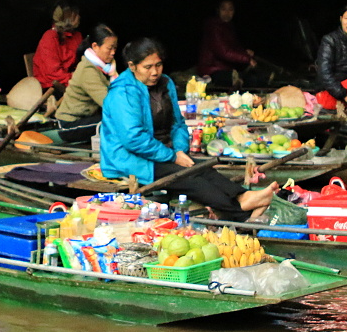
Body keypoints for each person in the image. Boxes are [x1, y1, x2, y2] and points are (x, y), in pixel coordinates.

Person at [100, 37, 277, 222]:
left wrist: (178, 150)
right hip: (129, 158)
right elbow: (133, 138)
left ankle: (243, 197)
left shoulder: (166, 83)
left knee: (203, 168)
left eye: (158, 65)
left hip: (163, 152)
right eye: (148, 67)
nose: (155, 72)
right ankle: (243, 213)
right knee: (188, 180)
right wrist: (172, 157)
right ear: (132, 66)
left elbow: (177, 124)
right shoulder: (122, 92)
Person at [54, 24, 118, 142]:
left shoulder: (108, 68)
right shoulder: (87, 70)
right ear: (95, 46)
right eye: (110, 48)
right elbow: (108, 102)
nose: (113, 52)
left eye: (115, 48)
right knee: (116, 121)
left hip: (87, 118)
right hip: (69, 125)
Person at [196, 0, 256, 81]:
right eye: (223, 9)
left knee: (253, 77)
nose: (227, 13)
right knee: (251, 81)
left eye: (230, 9)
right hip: (211, 71)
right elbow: (223, 52)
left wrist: (245, 52)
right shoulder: (213, 26)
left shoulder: (228, 26)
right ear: (218, 10)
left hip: (224, 69)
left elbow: (233, 48)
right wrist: (247, 59)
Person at [32, 3, 82, 89]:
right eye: (76, 14)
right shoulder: (50, 37)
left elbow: (81, 61)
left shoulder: (77, 36)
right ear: (68, 18)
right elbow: (52, 72)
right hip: (52, 85)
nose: (79, 17)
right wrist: (74, 79)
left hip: (70, 80)